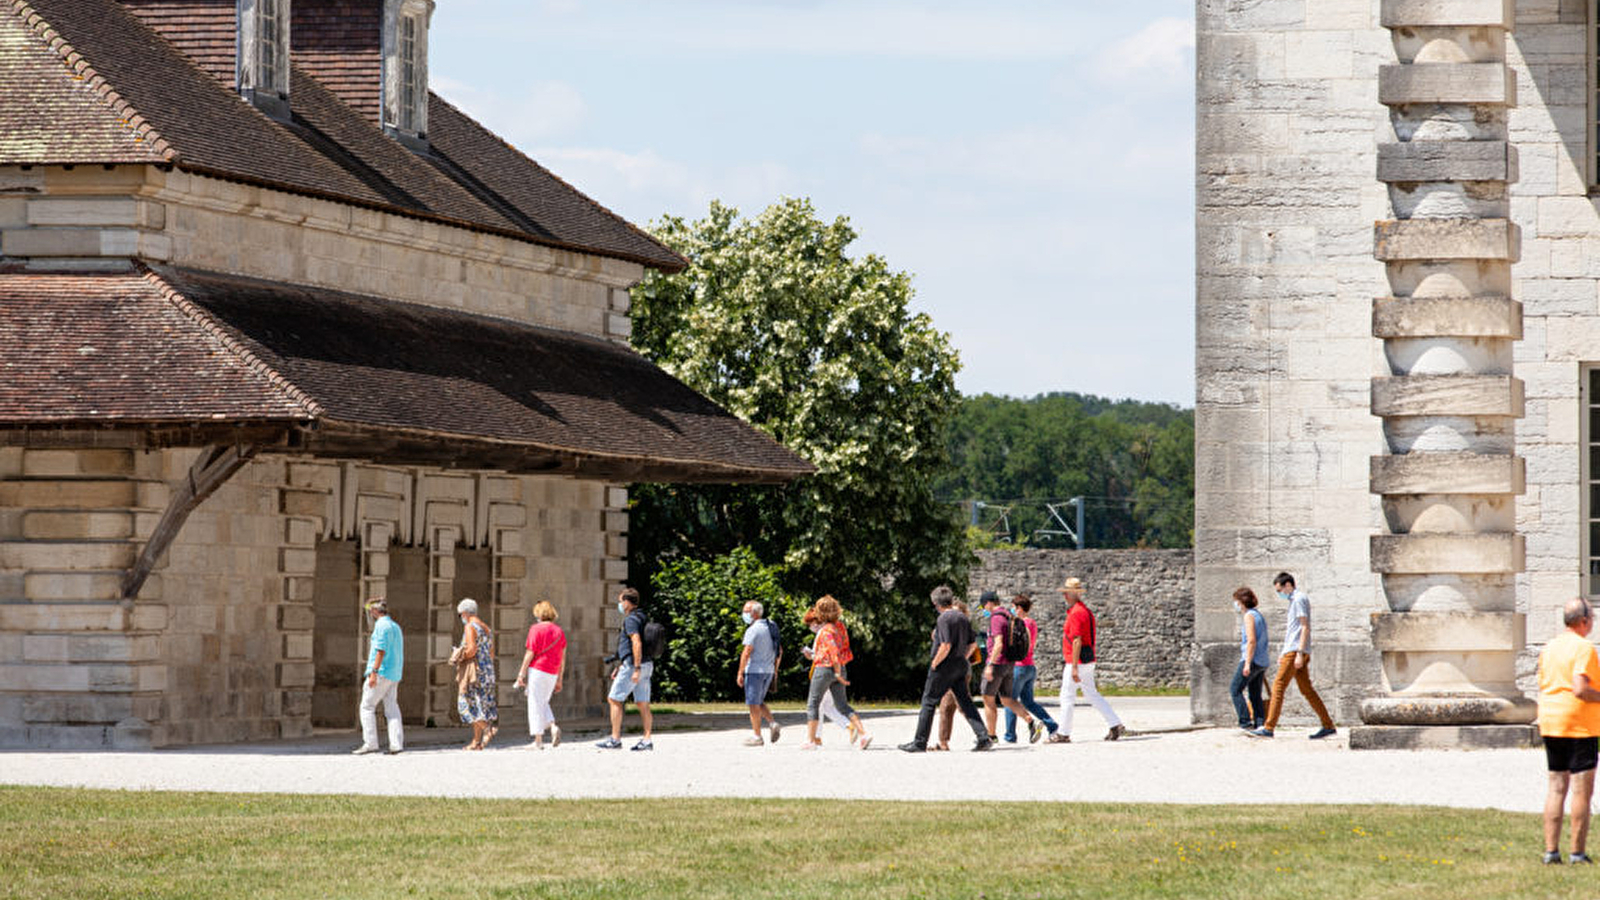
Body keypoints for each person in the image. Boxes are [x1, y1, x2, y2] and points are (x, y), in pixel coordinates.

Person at [1538, 598, 1600, 865]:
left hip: (1551, 720)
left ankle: (1551, 851)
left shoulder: (1550, 647)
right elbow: (1580, 688)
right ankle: (1577, 851)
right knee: (1580, 789)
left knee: (1555, 786)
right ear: (1584, 621)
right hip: (1578, 722)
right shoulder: (1584, 647)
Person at [900, 585, 992, 752]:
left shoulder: (943, 619)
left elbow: (946, 644)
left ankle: (919, 742)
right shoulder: (963, 617)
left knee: (928, 702)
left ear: (936, 603)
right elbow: (973, 643)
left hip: (944, 666)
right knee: (965, 702)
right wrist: (963, 658)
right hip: (960, 665)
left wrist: (935, 662)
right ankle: (983, 737)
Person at [1248, 572, 1336, 740]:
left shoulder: (1298, 599)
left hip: (1296, 651)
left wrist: (1299, 654)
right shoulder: (1295, 600)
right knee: (1307, 689)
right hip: (1293, 650)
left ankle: (1268, 727)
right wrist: (1285, 652)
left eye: (1280, 589)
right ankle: (1328, 724)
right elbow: (1294, 629)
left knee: (1278, 687)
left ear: (1288, 585)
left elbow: (1304, 627)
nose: (1279, 593)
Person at [1052, 577, 1125, 743]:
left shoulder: (1077, 613)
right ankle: (1115, 723)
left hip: (1076, 660)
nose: (1065, 596)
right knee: (1091, 694)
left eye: (1067, 593)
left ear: (1073, 594)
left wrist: (1075, 666)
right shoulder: (1084, 611)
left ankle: (1063, 732)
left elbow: (1077, 640)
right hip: (1087, 658)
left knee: (1067, 696)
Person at [804, 595, 870, 750]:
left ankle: (812, 740)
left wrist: (837, 672)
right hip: (841, 667)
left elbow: (832, 651)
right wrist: (840, 670)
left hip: (825, 668)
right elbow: (843, 649)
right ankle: (863, 734)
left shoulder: (826, 630)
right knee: (843, 705)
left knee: (813, 703)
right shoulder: (840, 628)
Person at [977, 591, 1043, 743]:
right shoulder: (1009, 615)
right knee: (1007, 699)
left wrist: (990, 665)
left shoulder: (996, 618)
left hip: (998, 663)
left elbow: (998, 643)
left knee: (988, 699)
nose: (984, 609)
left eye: (983, 606)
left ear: (989, 603)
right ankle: (1031, 722)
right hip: (1010, 664)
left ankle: (991, 736)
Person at [596, 587, 655, 750]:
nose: (620, 604)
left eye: (621, 601)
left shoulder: (631, 620)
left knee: (614, 699)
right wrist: (621, 665)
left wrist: (635, 668)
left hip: (635, 666)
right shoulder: (642, 616)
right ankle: (647, 739)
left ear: (628, 603)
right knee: (643, 703)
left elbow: (636, 642)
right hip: (646, 664)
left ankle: (615, 739)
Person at [1003, 594, 1059, 743]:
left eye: (1014, 607)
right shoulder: (1032, 623)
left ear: (1019, 608)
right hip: (1030, 666)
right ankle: (1051, 725)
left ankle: (1010, 735)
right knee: (1028, 702)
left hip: (1019, 667)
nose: (1012, 610)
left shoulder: (1021, 624)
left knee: (1010, 701)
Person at [352, 597, 403, 755]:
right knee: (392, 708)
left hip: (381, 672)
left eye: (370, 610)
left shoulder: (381, 626)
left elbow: (380, 650)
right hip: (394, 673)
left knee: (367, 707)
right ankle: (396, 744)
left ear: (375, 611)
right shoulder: (395, 626)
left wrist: (373, 672)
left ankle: (370, 742)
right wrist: (374, 600)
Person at [513, 600, 566, 749]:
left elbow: (530, 653)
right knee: (542, 702)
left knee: (535, 703)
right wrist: (560, 678)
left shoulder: (535, 629)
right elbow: (563, 657)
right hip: (553, 672)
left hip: (538, 669)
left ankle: (538, 741)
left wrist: (521, 674)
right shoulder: (559, 631)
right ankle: (553, 726)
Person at [802, 609, 853, 743]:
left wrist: (809, 655)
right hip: (837, 669)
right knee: (829, 706)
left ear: (816, 621)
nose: (810, 627)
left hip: (824, 672)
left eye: (810, 623)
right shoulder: (835, 630)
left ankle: (816, 737)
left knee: (817, 705)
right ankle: (849, 726)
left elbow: (821, 656)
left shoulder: (822, 633)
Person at [453, 597, 497, 750]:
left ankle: (487, 729)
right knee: (479, 703)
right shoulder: (486, 628)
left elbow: (471, 649)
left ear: (465, 613)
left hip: (474, 671)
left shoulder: (470, 626)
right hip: (487, 670)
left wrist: (459, 656)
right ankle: (476, 742)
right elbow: (491, 653)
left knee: (464, 704)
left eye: (460, 615)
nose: (461, 618)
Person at [737, 600, 782, 746]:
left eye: (746, 611)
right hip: (768, 670)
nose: (744, 614)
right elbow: (779, 651)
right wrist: (775, 669)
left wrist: (740, 672)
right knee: (759, 701)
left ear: (753, 613)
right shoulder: (772, 626)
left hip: (755, 670)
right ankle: (772, 723)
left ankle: (757, 736)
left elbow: (746, 651)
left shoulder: (753, 629)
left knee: (753, 704)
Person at [1229, 587, 1270, 731]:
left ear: (1242, 602)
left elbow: (1251, 640)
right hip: (1262, 660)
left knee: (1235, 689)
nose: (1236, 605)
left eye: (1237, 601)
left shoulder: (1248, 616)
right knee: (1255, 693)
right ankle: (1260, 723)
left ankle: (1245, 722)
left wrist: (1247, 663)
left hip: (1251, 659)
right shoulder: (1258, 615)